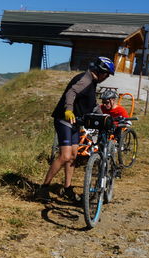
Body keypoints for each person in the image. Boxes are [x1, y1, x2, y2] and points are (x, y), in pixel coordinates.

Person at [36, 56, 115, 202]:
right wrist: (68, 110)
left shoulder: (92, 82)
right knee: (65, 156)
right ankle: (43, 188)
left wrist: (105, 117)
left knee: (73, 156)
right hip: (64, 120)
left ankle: (67, 189)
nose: (107, 77)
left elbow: (93, 105)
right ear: (101, 71)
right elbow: (71, 93)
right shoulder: (85, 79)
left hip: (75, 122)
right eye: (107, 74)